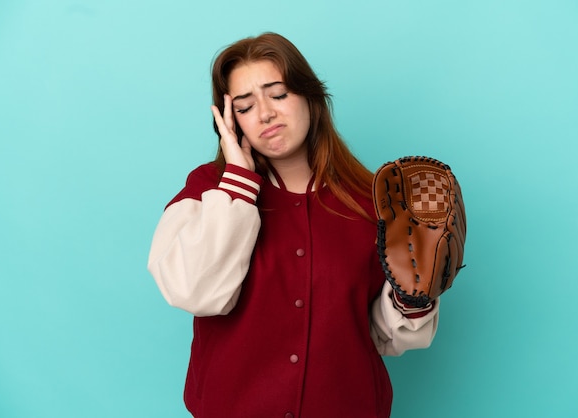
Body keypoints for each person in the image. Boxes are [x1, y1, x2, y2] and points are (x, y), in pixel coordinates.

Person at [148, 32, 439, 418]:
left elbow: (380, 334)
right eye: (246, 106)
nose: (266, 113)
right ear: (228, 120)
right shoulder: (206, 190)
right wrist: (237, 180)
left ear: (310, 97)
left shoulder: (373, 200)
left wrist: (413, 298)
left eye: (279, 94)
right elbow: (194, 293)